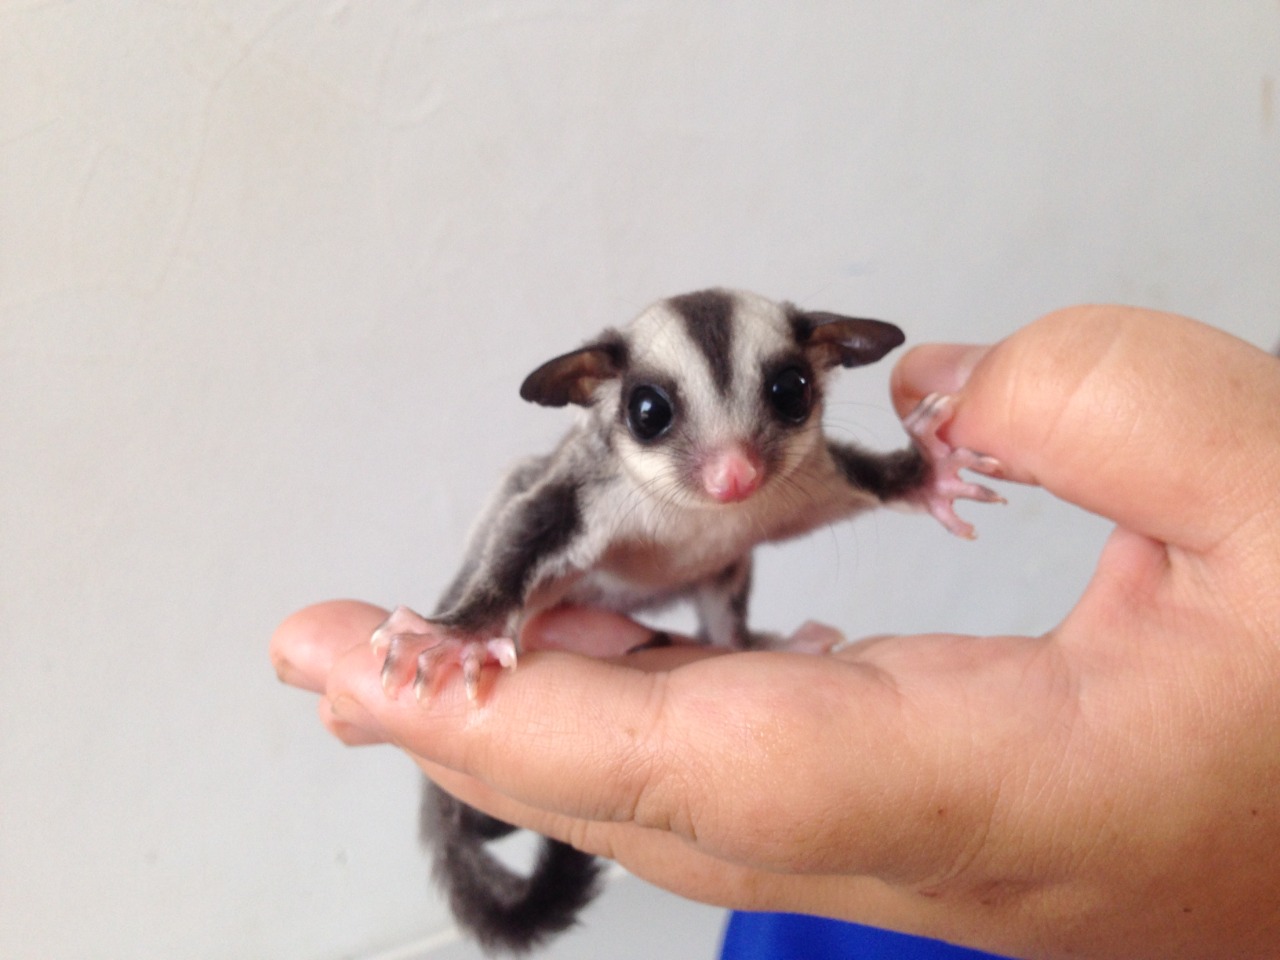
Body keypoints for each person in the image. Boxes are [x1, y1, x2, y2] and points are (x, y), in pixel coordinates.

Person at [271, 305, 1280, 959]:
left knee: (731, 550)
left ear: (825, 365)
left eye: (784, 399)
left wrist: (926, 470)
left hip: (696, 611)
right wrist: (472, 623)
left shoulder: (784, 477)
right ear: (598, 395)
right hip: (556, 592)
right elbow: (534, 532)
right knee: (522, 528)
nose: (734, 469)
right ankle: (470, 717)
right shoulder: (593, 480)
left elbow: (870, 478)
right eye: (657, 415)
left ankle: (730, 647)